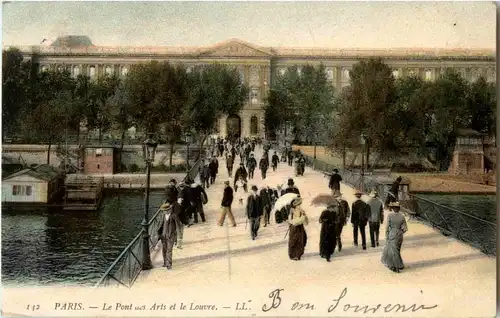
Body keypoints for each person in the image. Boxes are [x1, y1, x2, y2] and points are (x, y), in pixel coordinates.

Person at [381, 202, 408, 273]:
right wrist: (400, 232)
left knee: (392, 251)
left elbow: (387, 227)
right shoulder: (402, 216)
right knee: (397, 250)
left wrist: (387, 235)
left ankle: (397, 266)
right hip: (399, 235)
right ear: (399, 209)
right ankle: (396, 265)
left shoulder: (390, 216)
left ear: (393, 209)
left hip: (392, 234)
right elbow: (405, 229)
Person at [158, 202, 179, 269]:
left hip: (171, 235)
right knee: (164, 249)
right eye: (163, 211)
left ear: (169, 210)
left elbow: (178, 227)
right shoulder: (162, 216)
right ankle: (165, 262)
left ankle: (169, 264)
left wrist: (177, 238)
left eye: (165, 211)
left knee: (169, 250)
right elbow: (160, 226)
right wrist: (159, 235)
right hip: (163, 236)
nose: (164, 212)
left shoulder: (174, 216)